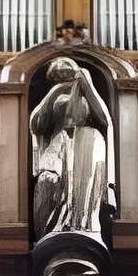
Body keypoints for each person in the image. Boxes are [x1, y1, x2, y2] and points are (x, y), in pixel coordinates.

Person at [29, 56, 112, 240]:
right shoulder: (55, 93)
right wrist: (55, 92)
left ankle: (82, 224)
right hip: (60, 141)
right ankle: (51, 228)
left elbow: (104, 119)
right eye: (57, 74)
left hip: (86, 142)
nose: (62, 76)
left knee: (86, 184)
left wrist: (86, 84)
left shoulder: (84, 90)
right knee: (47, 178)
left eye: (66, 71)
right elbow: (38, 124)